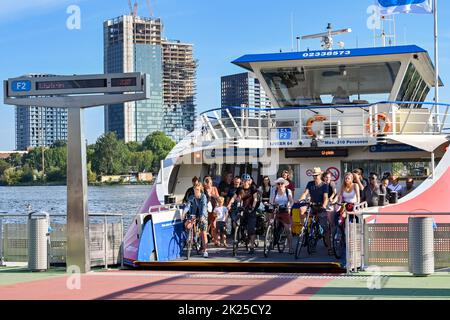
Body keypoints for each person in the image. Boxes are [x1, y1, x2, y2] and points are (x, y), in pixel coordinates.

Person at [227, 174, 260, 254]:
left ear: (249, 181)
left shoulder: (253, 188)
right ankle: (238, 238)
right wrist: (229, 204)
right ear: (242, 181)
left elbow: (255, 199)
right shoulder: (239, 188)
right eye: (244, 181)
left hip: (251, 210)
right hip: (242, 209)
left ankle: (251, 246)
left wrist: (252, 207)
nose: (245, 182)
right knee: (236, 222)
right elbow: (234, 197)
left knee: (251, 229)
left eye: (247, 181)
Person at [299, 167, 330, 249]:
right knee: (301, 209)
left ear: (320, 175)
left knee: (325, 228)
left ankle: (330, 247)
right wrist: (301, 199)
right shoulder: (310, 183)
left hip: (320, 206)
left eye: (316, 175)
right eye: (314, 175)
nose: (315, 177)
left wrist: (324, 205)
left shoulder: (324, 185)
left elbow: (326, 197)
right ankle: (304, 228)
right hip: (312, 206)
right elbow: (305, 193)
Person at [184, 183, 209, 258]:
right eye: (195, 190)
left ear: (200, 189)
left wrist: (202, 216)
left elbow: (204, 207)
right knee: (187, 225)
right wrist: (184, 213)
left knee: (203, 233)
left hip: (202, 215)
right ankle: (191, 240)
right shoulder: (191, 197)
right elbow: (188, 206)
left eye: (197, 190)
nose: (196, 191)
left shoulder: (203, 197)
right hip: (194, 215)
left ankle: (205, 251)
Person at [270, 177, 294, 254]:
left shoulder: (288, 191)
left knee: (288, 230)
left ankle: (290, 247)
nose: (280, 185)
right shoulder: (274, 191)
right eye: (278, 183)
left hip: (285, 210)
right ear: (277, 185)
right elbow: (271, 200)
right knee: (271, 225)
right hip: (276, 209)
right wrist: (270, 205)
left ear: (284, 184)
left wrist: (289, 205)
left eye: (281, 183)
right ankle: (272, 241)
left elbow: (291, 200)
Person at [204, 176, 220, 245]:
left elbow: (218, 197)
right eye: (209, 183)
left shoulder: (214, 188)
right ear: (206, 184)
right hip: (206, 209)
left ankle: (215, 240)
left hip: (214, 208)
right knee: (206, 224)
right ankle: (205, 239)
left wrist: (212, 195)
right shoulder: (204, 189)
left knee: (214, 224)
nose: (210, 184)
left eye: (211, 183)